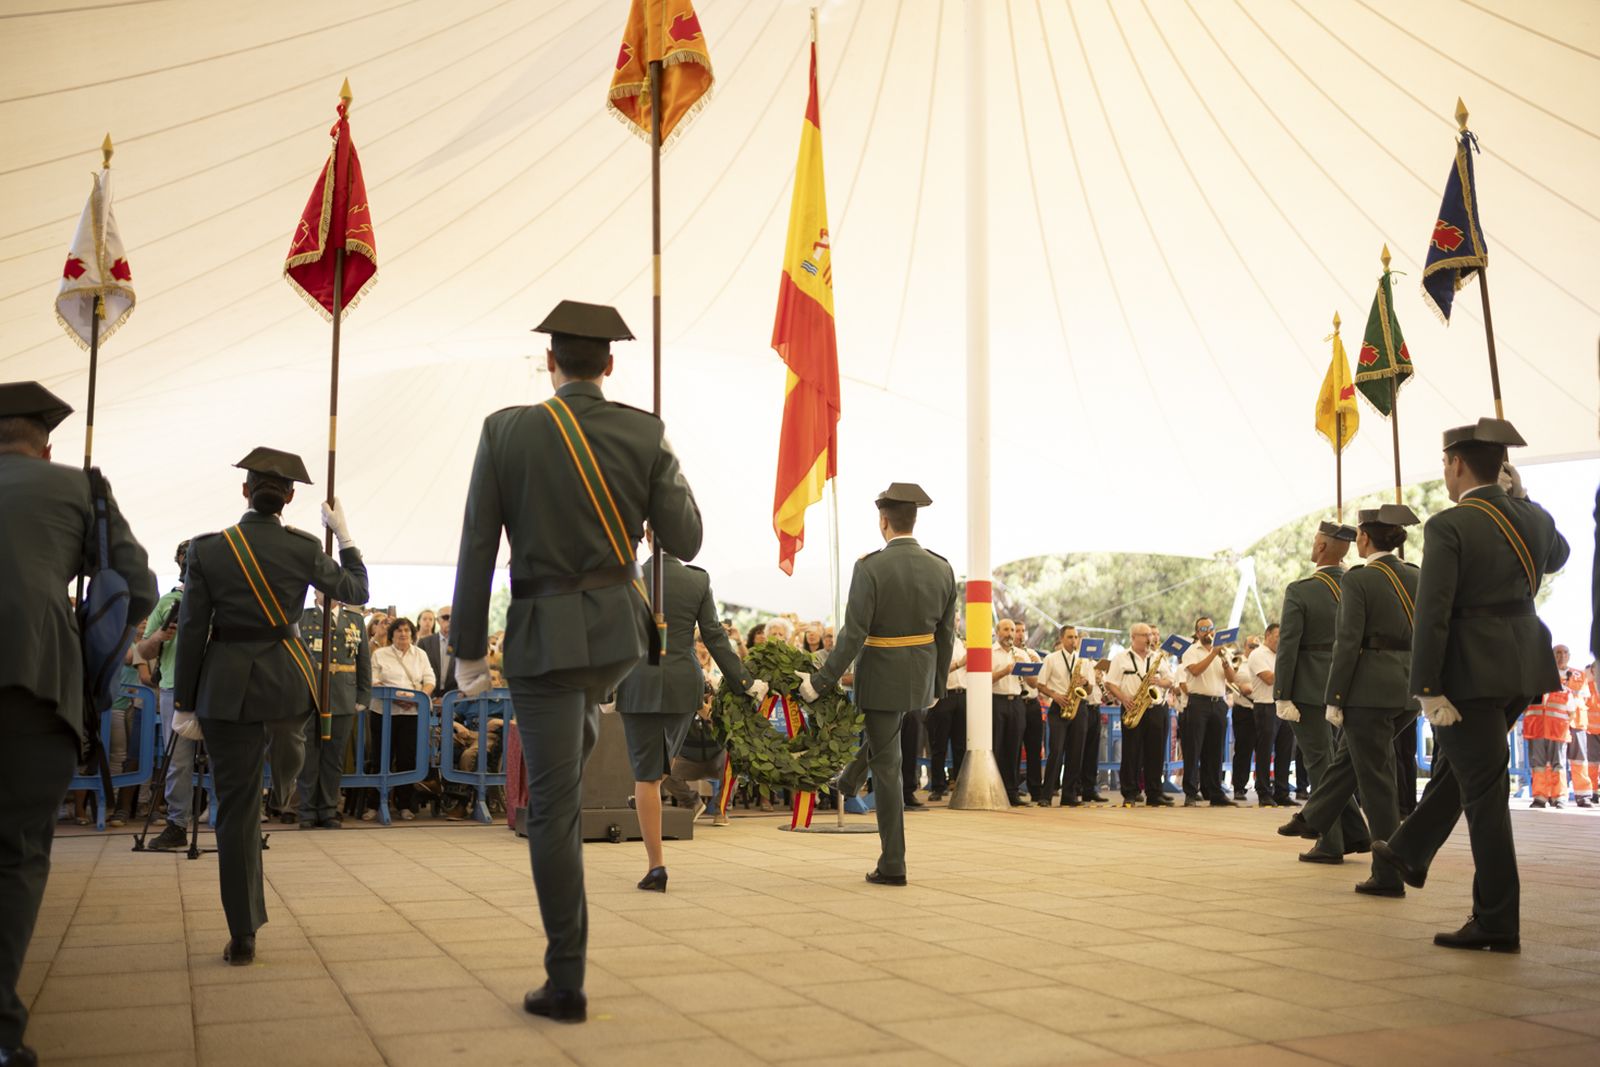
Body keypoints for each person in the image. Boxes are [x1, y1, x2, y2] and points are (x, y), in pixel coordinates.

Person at [449, 300, 702, 1024]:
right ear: (610, 365)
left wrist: (468, 647)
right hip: (618, 639)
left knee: (555, 805)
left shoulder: (505, 431)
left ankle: (565, 981)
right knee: (579, 723)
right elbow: (686, 536)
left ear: (550, 362)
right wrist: (660, 462)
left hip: (545, 638)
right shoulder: (643, 431)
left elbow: (478, 544)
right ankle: (583, 726)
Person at [0, 382, 156, 1065]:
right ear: (45, 448)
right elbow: (136, 587)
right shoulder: (78, 488)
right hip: (35, 685)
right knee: (14, 854)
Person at [1371, 418, 1568, 953]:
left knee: (1485, 794)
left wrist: (1427, 687)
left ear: (1457, 464)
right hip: (1522, 669)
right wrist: (1524, 500)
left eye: (1444, 463)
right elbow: (1558, 556)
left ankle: (1497, 920)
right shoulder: (1533, 518)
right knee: (1471, 771)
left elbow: (1432, 613)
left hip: (1470, 672)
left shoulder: (1449, 525)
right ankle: (1409, 850)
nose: (1445, 472)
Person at [173, 447, 367, 967]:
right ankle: (283, 783)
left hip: (224, 689)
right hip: (285, 681)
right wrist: (345, 536)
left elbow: (192, 630)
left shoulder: (208, 549)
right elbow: (357, 589)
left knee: (235, 813)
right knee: (291, 737)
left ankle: (243, 933)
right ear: (290, 498)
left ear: (245, 492)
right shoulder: (302, 547)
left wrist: (184, 703)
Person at [799, 483, 956, 884]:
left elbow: (853, 634)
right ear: (913, 519)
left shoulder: (870, 567)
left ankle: (893, 864)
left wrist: (820, 681)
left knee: (888, 768)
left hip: (882, 676)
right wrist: (937, 684)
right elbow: (946, 634)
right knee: (885, 741)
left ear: (883, 521)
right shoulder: (942, 568)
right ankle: (850, 778)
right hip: (921, 676)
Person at [615, 547, 764, 891]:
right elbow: (714, 635)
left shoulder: (626, 575)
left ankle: (656, 867)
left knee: (647, 776)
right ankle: (658, 858)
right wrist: (745, 682)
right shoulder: (697, 580)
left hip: (639, 682)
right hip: (684, 684)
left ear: (647, 534)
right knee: (659, 768)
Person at [1293, 505, 1421, 886]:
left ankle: (1387, 875)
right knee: (1354, 759)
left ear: (1364, 538)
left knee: (1377, 784)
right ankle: (1314, 817)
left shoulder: (1359, 580)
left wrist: (1335, 696)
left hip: (1370, 693)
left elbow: (1347, 643)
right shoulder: (1416, 575)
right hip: (1409, 691)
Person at [1274, 521, 1370, 854]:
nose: (1313, 544)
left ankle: (1330, 842)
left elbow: (1288, 646)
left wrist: (1282, 694)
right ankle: (1355, 833)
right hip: (1352, 684)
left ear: (1322, 547)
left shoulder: (1301, 590)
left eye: (1316, 540)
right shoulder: (1360, 585)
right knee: (1334, 765)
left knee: (1319, 763)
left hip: (1309, 688)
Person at [297, 593, 371, 829]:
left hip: (343, 695)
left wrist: (363, 695)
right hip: (309, 694)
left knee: (334, 757)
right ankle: (307, 811)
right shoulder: (303, 617)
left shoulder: (355, 620)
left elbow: (363, 660)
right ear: (315, 592)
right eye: (322, 588)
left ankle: (328, 810)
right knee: (309, 756)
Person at [139, 541, 193, 850]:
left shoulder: (220, 601)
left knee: (224, 759)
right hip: (174, 687)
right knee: (178, 761)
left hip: (214, 688)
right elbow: (144, 650)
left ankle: (229, 822)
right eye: (186, 561)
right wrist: (160, 636)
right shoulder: (168, 602)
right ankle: (177, 824)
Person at [370, 616, 435, 820]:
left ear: (412, 634)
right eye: (398, 630)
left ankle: (404, 805)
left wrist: (418, 698)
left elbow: (430, 680)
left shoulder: (420, 655)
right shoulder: (380, 654)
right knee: (380, 758)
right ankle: (374, 805)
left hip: (412, 713)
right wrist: (397, 698)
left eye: (407, 630)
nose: (403, 634)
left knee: (407, 759)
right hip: (383, 712)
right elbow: (373, 680)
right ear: (392, 634)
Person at [1105, 623, 1174, 807]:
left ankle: (1154, 792)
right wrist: (1124, 698)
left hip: (1155, 708)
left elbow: (1170, 681)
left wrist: (1159, 681)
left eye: (1150, 635)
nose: (1149, 638)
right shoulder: (1121, 658)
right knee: (1131, 751)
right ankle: (1130, 792)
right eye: (1145, 635)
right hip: (1132, 707)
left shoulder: (1158, 657)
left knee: (1155, 752)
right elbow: (1110, 683)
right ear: (1133, 637)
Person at [1178, 616, 1238, 807]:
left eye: (1210, 628)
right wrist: (1213, 654)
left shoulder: (1222, 652)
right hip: (1198, 703)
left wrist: (1225, 661)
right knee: (1193, 749)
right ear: (1197, 633)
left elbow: (1232, 678)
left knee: (1216, 750)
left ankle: (1215, 792)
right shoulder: (1191, 651)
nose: (1208, 632)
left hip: (1218, 702)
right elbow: (1195, 671)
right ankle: (1190, 792)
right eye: (1203, 629)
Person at [1036, 625, 1098, 807]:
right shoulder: (1051, 658)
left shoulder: (1084, 660)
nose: (1074, 641)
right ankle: (1046, 795)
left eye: (1076, 637)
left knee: (1076, 752)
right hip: (1059, 706)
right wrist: (1054, 695)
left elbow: (1090, 689)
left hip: (1079, 707)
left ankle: (1069, 795)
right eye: (1070, 637)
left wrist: (1085, 683)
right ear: (1062, 639)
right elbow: (1040, 684)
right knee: (1056, 751)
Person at [1523, 645, 1578, 808]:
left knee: (1558, 765)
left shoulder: (1565, 689)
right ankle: (1540, 797)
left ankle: (1559, 797)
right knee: (1538, 765)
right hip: (1537, 731)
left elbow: (1572, 712)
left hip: (1557, 732)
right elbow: (1524, 707)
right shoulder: (1531, 686)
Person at [1248, 624, 1293, 806]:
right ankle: (1264, 791)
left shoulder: (1281, 655)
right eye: (1277, 635)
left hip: (1284, 705)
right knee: (1265, 750)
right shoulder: (1258, 654)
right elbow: (1268, 678)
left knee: (1285, 750)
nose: (1281, 640)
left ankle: (1282, 792)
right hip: (1266, 706)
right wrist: (1289, 669)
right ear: (1267, 635)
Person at [990, 618, 1029, 806]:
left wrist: (1028, 668)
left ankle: (1012, 792)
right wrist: (1005, 670)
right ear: (998, 632)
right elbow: (985, 679)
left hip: (1017, 702)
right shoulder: (990, 652)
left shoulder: (1020, 653)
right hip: (996, 701)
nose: (1010, 634)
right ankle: (994, 791)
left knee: (1014, 748)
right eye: (1006, 629)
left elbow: (1033, 683)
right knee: (996, 747)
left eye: (1013, 630)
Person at [925, 648, 967, 801]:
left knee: (961, 746)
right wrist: (959, 664)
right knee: (939, 745)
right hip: (943, 696)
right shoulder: (935, 644)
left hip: (962, 695)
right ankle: (938, 786)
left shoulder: (962, 644)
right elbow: (934, 671)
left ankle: (960, 786)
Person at [418, 605, 457, 696]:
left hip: (455, 697)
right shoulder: (425, 642)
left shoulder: (463, 643)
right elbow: (419, 673)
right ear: (438, 621)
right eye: (446, 617)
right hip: (429, 695)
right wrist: (432, 696)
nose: (450, 620)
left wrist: (450, 698)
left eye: (453, 617)